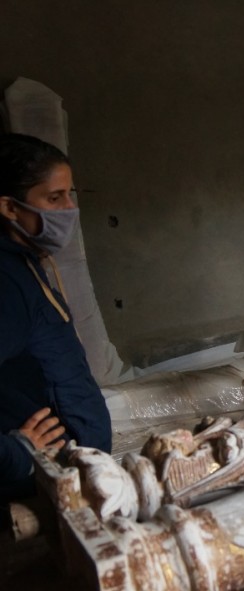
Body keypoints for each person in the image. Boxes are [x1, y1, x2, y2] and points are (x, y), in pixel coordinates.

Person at [0, 133, 111, 502]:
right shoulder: (6, 283)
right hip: (41, 481)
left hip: (70, 473)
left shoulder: (25, 263)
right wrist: (14, 455)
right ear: (10, 208)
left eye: (70, 195)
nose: (68, 209)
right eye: (53, 198)